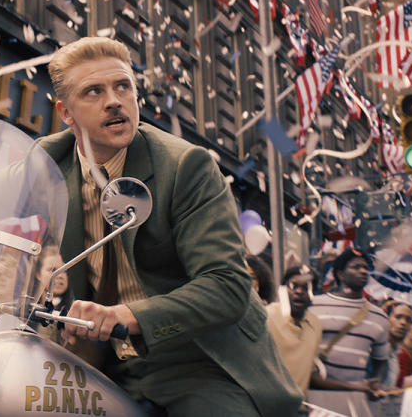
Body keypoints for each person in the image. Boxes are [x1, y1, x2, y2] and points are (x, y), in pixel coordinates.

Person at [39, 37, 301, 416]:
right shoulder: (47, 159)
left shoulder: (185, 166)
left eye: (123, 86)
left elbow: (226, 285)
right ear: (66, 112)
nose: (114, 100)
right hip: (100, 364)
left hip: (199, 362)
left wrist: (125, 317)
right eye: (94, 91)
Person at [309, 248, 390, 394]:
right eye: (356, 267)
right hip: (316, 396)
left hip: (355, 399)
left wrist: (377, 381)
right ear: (341, 274)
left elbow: (381, 361)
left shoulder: (379, 317)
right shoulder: (314, 306)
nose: (363, 271)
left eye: (365, 268)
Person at [266, 265, 322, 395]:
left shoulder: (315, 324)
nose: (299, 292)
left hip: (299, 408)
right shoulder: (266, 317)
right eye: (293, 286)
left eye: (306, 288)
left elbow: (310, 371)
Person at [381, 300, 412, 390]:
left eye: (408, 320)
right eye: (398, 317)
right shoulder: (374, 348)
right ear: (386, 318)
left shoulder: (397, 352)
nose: (403, 322)